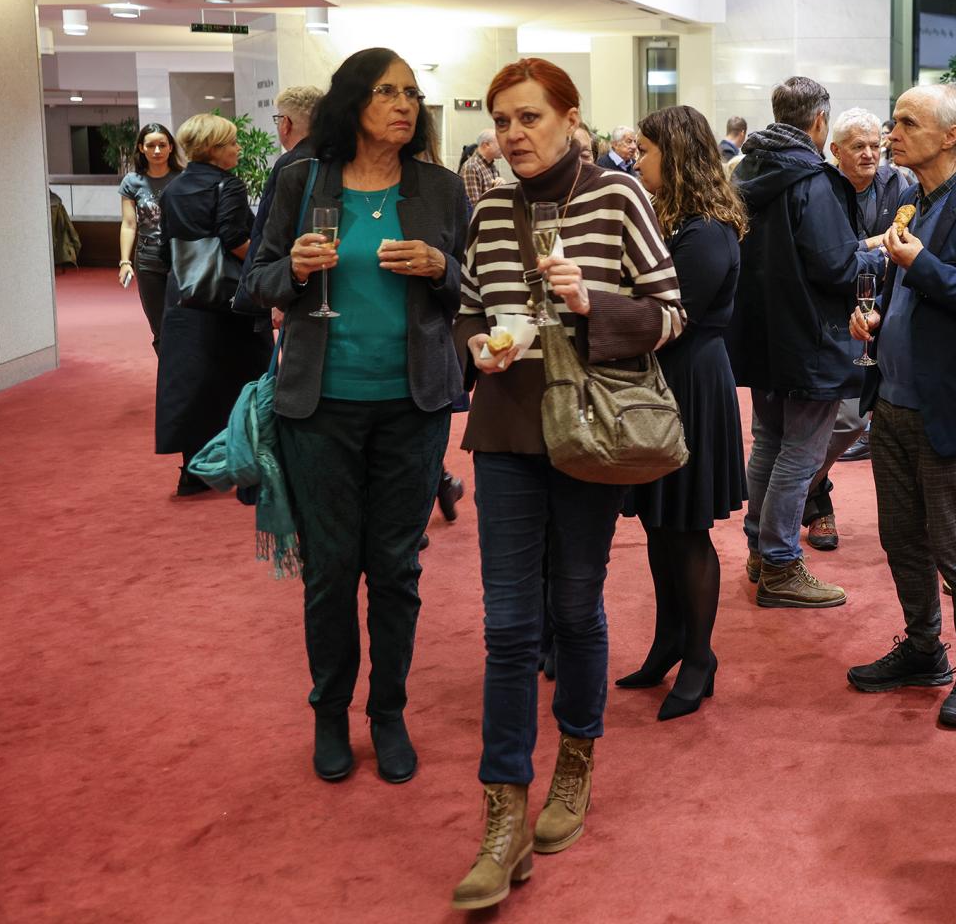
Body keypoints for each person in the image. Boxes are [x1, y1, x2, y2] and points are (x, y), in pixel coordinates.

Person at [448, 58, 683, 912]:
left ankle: (575, 764)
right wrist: (477, 343)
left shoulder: (618, 197)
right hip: (509, 424)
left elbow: (671, 311)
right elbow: (471, 308)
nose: (513, 134)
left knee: (576, 608)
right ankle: (502, 816)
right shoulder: (489, 210)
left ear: (570, 118)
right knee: (509, 626)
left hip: (592, 427)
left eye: (529, 118)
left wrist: (592, 306)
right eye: (502, 120)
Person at [245, 48, 469, 787]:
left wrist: (443, 270)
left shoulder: (438, 186)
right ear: (352, 102)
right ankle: (330, 711)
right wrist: (297, 271)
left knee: (397, 570)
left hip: (412, 406)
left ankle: (389, 712)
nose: (404, 104)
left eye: (411, 93)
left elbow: (474, 290)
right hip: (321, 406)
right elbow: (256, 284)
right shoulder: (300, 178)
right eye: (386, 92)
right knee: (332, 570)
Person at [846, 82, 956, 728]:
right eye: (895, 121)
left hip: (946, 408)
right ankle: (924, 648)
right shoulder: (915, 202)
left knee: (954, 544)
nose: (892, 134)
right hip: (891, 402)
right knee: (900, 539)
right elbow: (914, 291)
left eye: (906, 122)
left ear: (951, 136)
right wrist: (878, 316)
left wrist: (921, 268)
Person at [618, 105, 749, 719]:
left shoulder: (705, 229)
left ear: (676, 154)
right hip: (666, 380)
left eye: (645, 150)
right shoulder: (674, 217)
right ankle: (670, 639)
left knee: (688, 527)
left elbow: (670, 318)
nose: (636, 160)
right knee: (658, 520)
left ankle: (699, 656)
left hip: (691, 383)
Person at [730, 76, 877, 608]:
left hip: (760, 333)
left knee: (769, 442)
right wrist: (878, 255)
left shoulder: (746, 169)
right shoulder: (811, 180)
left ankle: (760, 550)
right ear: (819, 123)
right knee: (801, 451)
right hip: (810, 336)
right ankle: (781, 564)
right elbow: (836, 266)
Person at [800, 107, 905, 550]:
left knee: (871, 419)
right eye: (858, 147)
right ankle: (812, 496)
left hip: (890, 309)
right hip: (832, 315)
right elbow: (828, 255)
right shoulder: (821, 188)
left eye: (874, 146)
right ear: (836, 150)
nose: (869, 154)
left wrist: (863, 248)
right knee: (840, 418)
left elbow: (907, 241)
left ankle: (800, 486)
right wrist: (874, 244)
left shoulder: (900, 185)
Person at [155, 114, 272, 497]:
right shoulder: (228, 185)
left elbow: (163, 249)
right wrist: (264, 266)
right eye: (232, 143)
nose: (238, 149)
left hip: (183, 297)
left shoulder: (172, 189)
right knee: (244, 377)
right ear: (214, 149)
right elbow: (234, 237)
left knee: (191, 384)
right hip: (228, 300)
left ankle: (193, 468)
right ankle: (243, 464)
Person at [236, 85, 322, 319]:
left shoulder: (290, 165)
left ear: (285, 123)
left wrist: (277, 299)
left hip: (293, 280)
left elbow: (271, 232)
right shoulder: (339, 158)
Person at [117, 123, 183, 353]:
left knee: (183, 321)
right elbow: (129, 223)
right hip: (148, 258)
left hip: (181, 257)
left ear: (171, 147)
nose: (157, 150)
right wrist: (124, 261)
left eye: (162, 145)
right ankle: (169, 380)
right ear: (141, 148)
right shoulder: (132, 182)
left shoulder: (183, 178)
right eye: (151, 145)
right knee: (160, 326)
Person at [461, 129, 505, 207]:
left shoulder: (491, 166)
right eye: (499, 142)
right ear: (486, 145)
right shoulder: (472, 167)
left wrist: (501, 188)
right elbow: (474, 208)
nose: (503, 146)